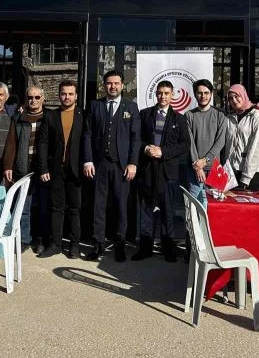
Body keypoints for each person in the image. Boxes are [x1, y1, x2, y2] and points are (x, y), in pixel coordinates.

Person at [83, 69, 141, 262]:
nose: (113, 86)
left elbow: (136, 138)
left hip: (121, 166)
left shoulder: (131, 107)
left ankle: (120, 244)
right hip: (99, 164)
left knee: (121, 206)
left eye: (116, 83)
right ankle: (98, 243)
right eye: (109, 83)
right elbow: (88, 134)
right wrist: (88, 160)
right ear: (104, 85)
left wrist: (132, 163)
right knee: (98, 205)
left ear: (122, 85)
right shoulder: (95, 105)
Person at [133, 80, 190, 262]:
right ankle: (145, 248)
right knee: (146, 210)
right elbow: (137, 139)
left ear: (172, 95)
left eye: (166, 93)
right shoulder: (145, 114)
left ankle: (168, 249)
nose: (163, 96)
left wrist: (163, 152)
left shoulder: (179, 119)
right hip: (147, 169)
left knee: (167, 211)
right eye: (160, 93)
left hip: (167, 171)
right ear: (156, 94)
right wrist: (146, 149)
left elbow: (184, 145)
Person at [36, 81, 83, 259]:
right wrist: (43, 168)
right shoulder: (51, 116)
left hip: (76, 171)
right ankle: (55, 244)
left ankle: (74, 245)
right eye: (63, 94)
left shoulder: (83, 115)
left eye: (70, 94)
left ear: (76, 96)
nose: (67, 97)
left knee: (75, 209)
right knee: (56, 208)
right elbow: (43, 144)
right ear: (59, 95)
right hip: (56, 170)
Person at [1, 85, 48, 252]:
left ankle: (40, 240)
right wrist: (8, 165)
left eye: (37, 97)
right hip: (23, 168)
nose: (33, 100)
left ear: (43, 99)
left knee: (42, 207)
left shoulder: (49, 117)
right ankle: (24, 239)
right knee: (23, 207)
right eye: (30, 97)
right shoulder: (19, 118)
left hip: (43, 169)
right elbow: (11, 142)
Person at [185, 79, 228, 204]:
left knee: (215, 206)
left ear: (211, 94)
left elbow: (220, 141)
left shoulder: (220, 115)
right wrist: (198, 167)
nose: (203, 96)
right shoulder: (189, 115)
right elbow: (190, 143)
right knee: (194, 205)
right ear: (195, 94)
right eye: (200, 93)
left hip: (215, 169)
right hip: (194, 169)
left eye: (206, 93)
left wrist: (205, 160)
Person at [226, 84, 259, 191]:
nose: (234, 100)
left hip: (253, 174)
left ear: (243, 95)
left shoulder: (257, 116)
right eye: (230, 98)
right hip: (233, 172)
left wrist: (246, 176)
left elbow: (258, 147)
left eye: (237, 96)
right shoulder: (230, 117)